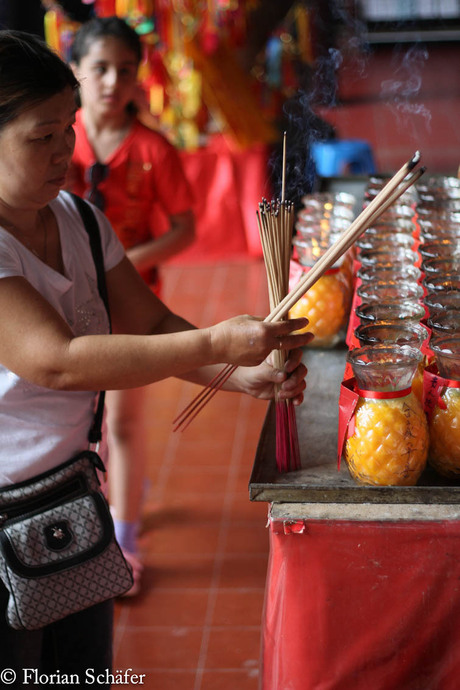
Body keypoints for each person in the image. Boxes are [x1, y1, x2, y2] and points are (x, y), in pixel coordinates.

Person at [0, 29, 311, 683]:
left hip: (75, 498)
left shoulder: (81, 220)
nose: (65, 151)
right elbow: (56, 360)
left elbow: (153, 322)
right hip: (6, 510)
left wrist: (242, 375)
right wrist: (217, 342)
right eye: (42, 136)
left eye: (70, 129)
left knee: (81, 670)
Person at [68, 16, 196, 593]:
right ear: (75, 71)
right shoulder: (53, 138)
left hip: (129, 299)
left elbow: (186, 230)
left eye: (124, 70)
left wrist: (123, 259)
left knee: (121, 419)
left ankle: (125, 539)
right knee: (73, 418)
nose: (111, 82)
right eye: (99, 68)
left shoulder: (153, 149)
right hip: (62, 296)